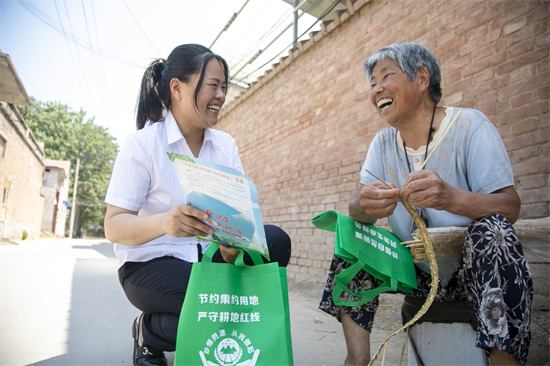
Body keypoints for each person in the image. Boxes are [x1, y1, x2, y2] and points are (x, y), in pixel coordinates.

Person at [319, 43, 532, 366]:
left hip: (472, 267)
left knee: (495, 230)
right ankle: (357, 359)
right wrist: (363, 205)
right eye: (372, 84)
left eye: (385, 77)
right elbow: (357, 211)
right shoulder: (383, 143)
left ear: (421, 78)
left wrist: (452, 198)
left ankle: (505, 361)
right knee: (351, 238)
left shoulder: (471, 126)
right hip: (412, 270)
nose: (377, 90)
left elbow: (510, 206)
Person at [104, 44, 291, 366]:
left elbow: (241, 213)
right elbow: (114, 225)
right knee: (208, 304)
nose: (220, 95)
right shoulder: (143, 145)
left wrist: (237, 244)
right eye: (212, 85)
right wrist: (164, 223)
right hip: (151, 264)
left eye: (223, 87)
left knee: (275, 241)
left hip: (208, 258)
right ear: (177, 87)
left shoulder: (225, 145)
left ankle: (226, 324)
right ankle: (148, 332)